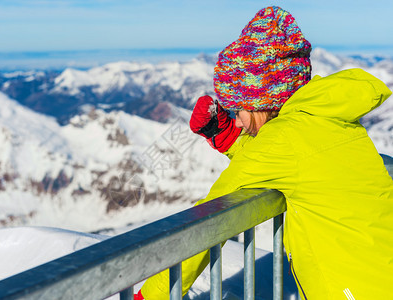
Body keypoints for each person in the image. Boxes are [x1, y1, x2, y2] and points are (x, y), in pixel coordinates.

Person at [135, 6, 393, 300]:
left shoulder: (281, 141)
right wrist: (228, 135)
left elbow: (208, 216)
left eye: (239, 108)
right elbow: (287, 156)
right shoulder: (325, 119)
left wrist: (150, 296)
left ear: (260, 102)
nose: (240, 119)